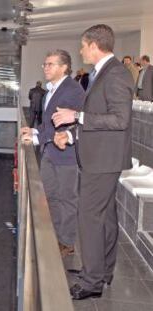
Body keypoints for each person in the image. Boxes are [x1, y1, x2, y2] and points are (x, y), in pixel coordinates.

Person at [51, 24, 133, 300]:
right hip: (99, 157)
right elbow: (97, 119)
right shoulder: (102, 74)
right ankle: (102, 271)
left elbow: (120, 120)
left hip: (102, 161)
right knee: (106, 219)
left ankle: (91, 281)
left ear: (95, 45)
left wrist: (77, 117)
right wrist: (71, 136)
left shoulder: (115, 74)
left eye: (83, 45)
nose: (81, 50)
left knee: (89, 218)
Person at [21, 50, 85, 258]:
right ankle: (56, 236)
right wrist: (35, 130)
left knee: (67, 199)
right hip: (51, 152)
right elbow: (49, 121)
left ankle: (66, 242)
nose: (45, 68)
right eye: (44, 64)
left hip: (65, 154)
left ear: (64, 67)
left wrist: (38, 138)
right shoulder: (52, 90)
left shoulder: (72, 90)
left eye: (50, 64)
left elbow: (65, 124)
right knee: (52, 196)